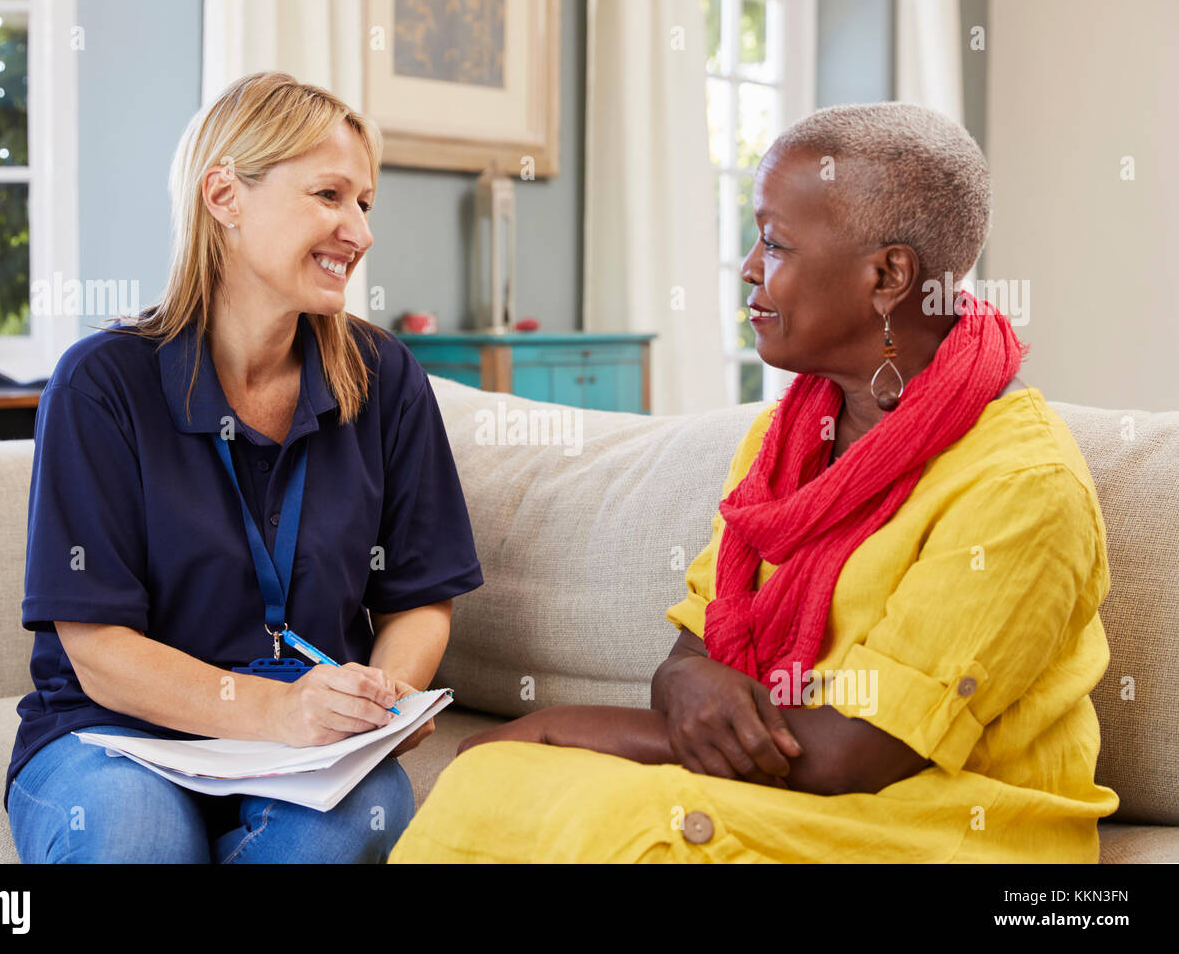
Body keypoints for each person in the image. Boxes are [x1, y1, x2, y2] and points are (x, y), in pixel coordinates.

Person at [387, 102, 1118, 863]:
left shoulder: (1022, 486)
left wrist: (559, 722)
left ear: (888, 276)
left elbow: (848, 753)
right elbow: (689, 655)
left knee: (624, 825)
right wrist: (689, 686)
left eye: (774, 241)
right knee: (497, 783)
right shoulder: (787, 438)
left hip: (941, 824)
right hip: (798, 790)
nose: (746, 267)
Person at [6, 72, 483, 863]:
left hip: (309, 749)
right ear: (224, 195)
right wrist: (276, 711)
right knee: (136, 841)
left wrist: (383, 700)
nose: (358, 232)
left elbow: (422, 600)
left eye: (365, 203)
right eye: (329, 195)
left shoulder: (386, 377)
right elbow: (96, 647)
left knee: (349, 826)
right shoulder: (101, 383)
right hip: (117, 738)